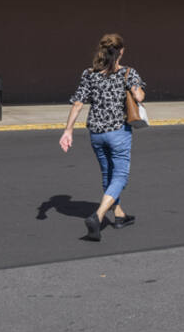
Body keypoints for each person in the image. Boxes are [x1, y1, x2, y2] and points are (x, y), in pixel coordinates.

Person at [59, 32, 146, 242]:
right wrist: (136, 91)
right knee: (120, 176)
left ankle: (119, 215)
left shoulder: (89, 74)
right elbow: (140, 96)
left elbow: (78, 103)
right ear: (121, 51)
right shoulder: (128, 73)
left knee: (108, 174)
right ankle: (97, 216)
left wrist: (68, 130)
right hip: (118, 132)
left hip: (96, 133)